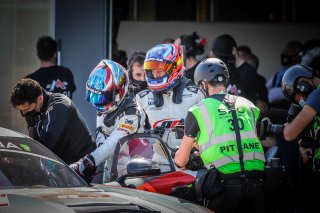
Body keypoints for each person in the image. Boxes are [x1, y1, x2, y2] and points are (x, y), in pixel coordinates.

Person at [175, 58, 266, 213]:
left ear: (203, 84)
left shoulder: (198, 110)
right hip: (258, 182)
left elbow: (182, 160)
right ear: (226, 80)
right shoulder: (249, 105)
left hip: (224, 185)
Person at [70, 59, 145, 183]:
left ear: (118, 91)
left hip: (132, 175)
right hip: (110, 171)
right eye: (96, 96)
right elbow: (101, 134)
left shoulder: (133, 111)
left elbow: (114, 143)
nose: (98, 101)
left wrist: (87, 162)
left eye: (102, 97)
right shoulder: (104, 105)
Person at [135, 43, 206, 150]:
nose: (155, 75)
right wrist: (148, 136)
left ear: (174, 68)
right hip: (156, 162)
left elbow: (207, 132)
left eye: (159, 70)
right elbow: (135, 136)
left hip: (189, 162)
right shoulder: (142, 98)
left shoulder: (196, 94)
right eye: (152, 71)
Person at [10, 78, 96, 165]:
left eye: (28, 109)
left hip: (85, 162)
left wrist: (19, 159)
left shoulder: (59, 104)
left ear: (40, 99)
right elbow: (34, 141)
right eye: (21, 110)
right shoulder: (32, 111)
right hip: (64, 163)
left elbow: (44, 145)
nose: (24, 114)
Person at [281, 65, 320, 205]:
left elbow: (289, 134)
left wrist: (286, 128)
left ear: (303, 84)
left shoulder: (317, 95)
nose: (302, 101)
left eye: (299, 96)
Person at [209, 34, 259, 103]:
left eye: (221, 57)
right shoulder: (228, 70)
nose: (219, 62)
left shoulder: (248, 72)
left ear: (234, 51)